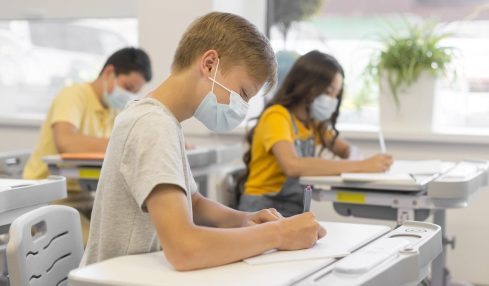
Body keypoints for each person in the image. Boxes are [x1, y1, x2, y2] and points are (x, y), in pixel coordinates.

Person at [81, 12, 326, 271]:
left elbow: (194, 202)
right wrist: (278, 234)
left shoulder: (163, 120)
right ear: (209, 63)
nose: (241, 108)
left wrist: (246, 219)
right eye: (243, 93)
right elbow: (185, 248)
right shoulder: (151, 124)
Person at [238, 51, 393, 217]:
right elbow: (292, 165)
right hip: (260, 209)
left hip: (291, 210)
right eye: (328, 92)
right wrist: (361, 166)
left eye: (336, 94)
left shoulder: (313, 123)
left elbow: (344, 149)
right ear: (306, 85)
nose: (332, 100)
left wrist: (354, 156)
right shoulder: (277, 116)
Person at [23, 47, 152, 180]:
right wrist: (125, 145)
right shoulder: (73, 95)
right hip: (46, 191)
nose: (128, 96)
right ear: (109, 72)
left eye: (134, 93)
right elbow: (66, 142)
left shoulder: (115, 110)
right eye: (128, 88)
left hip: (82, 192)